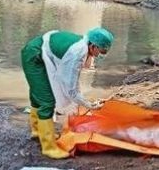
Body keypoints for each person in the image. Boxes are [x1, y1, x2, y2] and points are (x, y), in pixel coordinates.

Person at [21, 27, 114, 159]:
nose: (99, 56)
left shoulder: (84, 44)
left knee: (39, 95)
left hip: (39, 52)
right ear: (93, 46)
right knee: (46, 100)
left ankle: (37, 131)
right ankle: (49, 147)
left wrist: (84, 101)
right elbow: (71, 90)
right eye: (101, 51)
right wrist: (89, 105)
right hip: (34, 56)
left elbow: (72, 81)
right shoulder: (76, 54)